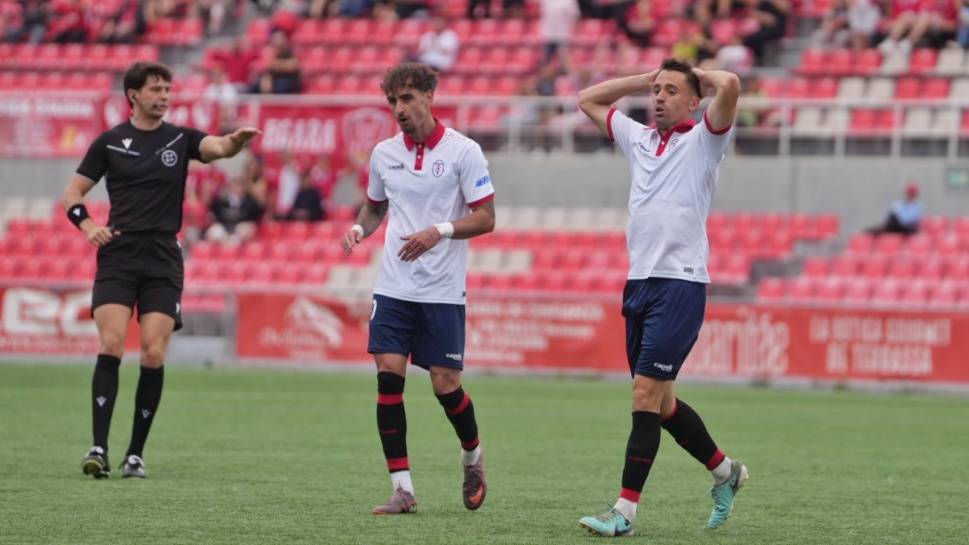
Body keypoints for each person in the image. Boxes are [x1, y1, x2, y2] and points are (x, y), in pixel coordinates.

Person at [64, 61, 260, 480]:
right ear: (133, 95)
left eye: (168, 89)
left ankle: (135, 453)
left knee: (153, 352)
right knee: (112, 344)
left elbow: (218, 148)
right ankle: (98, 447)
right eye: (156, 89)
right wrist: (89, 226)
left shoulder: (181, 138)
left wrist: (235, 143)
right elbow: (73, 194)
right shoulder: (110, 142)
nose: (164, 96)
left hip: (162, 258)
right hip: (118, 254)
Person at [576, 59, 747, 536]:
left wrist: (694, 73)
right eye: (657, 91)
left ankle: (624, 513)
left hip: (681, 283)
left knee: (644, 395)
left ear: (694, 101)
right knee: (663, 403)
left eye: (672, 91)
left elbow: (730, 83)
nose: (659, 98)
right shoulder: (639, 140)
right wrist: (643, 79)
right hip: (639, 283)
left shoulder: (705, 141)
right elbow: (587, 100)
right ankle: (725, 472)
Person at [341, 62, 496, 515]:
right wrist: (358, 228)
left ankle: (472, 456)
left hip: (442, 291)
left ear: (430, 95)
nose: (399, 109)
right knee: (388, 376)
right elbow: (374, 208)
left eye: (407, 98)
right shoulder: (384, 153)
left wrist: (440, 230)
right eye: (392, 101)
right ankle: (403, 489)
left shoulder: (465, 151)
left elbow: (486, 218)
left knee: (446, 387)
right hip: (393, 287)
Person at [206, 176, 264, 243]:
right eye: (236, 186)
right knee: (213, 232)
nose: (238, 189)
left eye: (240, 186)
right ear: (230, 187)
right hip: (224, 228)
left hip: (240, 230)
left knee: (244, 231)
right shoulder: (221, 201)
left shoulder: (250, 202)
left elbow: (256, 216)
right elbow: (214, 213)